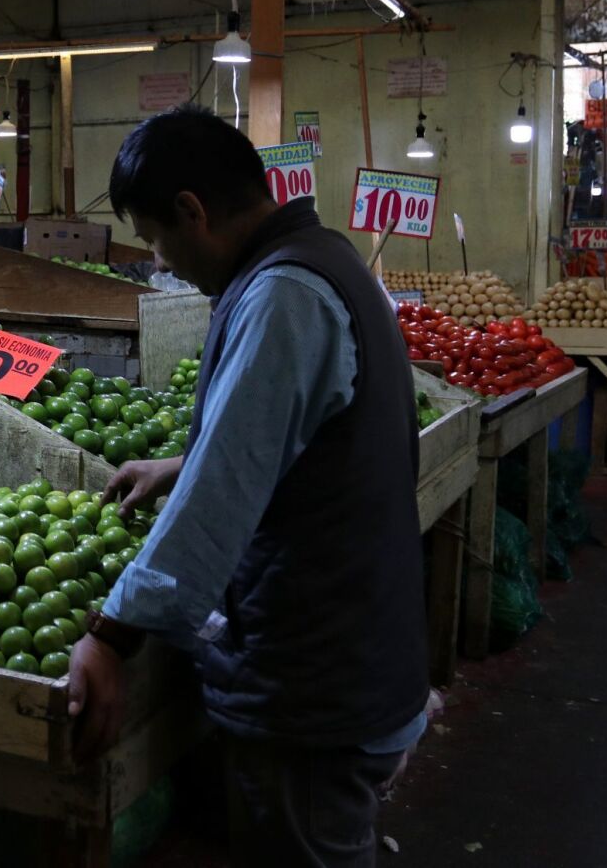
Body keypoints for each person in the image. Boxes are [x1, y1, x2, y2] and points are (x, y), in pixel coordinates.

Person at [67, 105, 429, 868]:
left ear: (192, 211)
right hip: (356, 652)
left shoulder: (283, 295)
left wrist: (111, 635)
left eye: (155, 240)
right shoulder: (325, 258)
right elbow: (305, 434)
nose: (160, 263)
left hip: (314, 686)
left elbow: (222, 497)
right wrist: (181, 464)